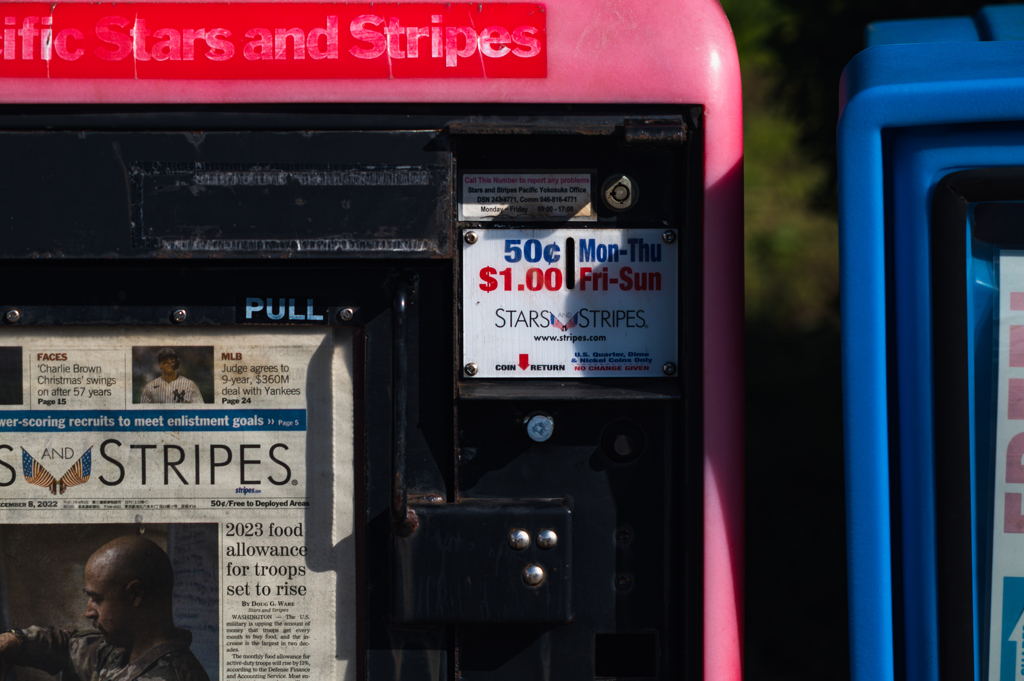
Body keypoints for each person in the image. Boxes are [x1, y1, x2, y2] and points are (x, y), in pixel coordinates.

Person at [0, 535, 210, 681]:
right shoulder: (118, 650)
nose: (88, 612)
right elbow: (68, 646)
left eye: (97, 599)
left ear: (135, 594)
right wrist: (16, 641)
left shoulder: (174, 675)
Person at [140, 348, 204, 404]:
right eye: (165, 359)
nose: (169, 362)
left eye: (172, 359)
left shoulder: (189, 385)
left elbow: (200, 410)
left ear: (177, 363)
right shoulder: (150, 387)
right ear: (159, 365)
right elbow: (143, 412)